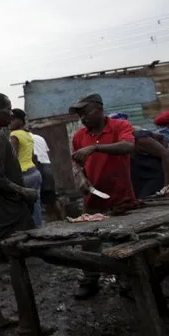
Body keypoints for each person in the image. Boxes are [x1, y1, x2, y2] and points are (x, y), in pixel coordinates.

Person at [0, 93, 38, 334]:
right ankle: (26, 322)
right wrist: (22, 191)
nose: (11, 114)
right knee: (16, 260)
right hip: (7, 211)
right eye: (7, 109)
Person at [70, 93, 137, 299]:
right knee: (90, 242)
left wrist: (96, 147)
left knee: (123, 241)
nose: (83, 119)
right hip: (93, 198)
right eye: (80, 115)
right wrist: (79, 175)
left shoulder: (119, 126)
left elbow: (128, 146)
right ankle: (90, 280)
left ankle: (127, 281)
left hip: (121, 197)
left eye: (86, 113)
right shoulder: (79, 136)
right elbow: (76, 162)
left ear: (99, 109)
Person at [9, 109, 43, 228]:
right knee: (36, 205)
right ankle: (39, 229)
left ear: (20, 120)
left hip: (24, 176)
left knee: (25, 208)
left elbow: (13, 159)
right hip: (34, 173)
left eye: (12, 119)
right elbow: (33, 156)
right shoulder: (27, 134)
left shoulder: (15, 135)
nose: (10, 121)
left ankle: (32, 234)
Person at [30, 130, 65, 221]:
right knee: (51, 199)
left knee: (40, 200)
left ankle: (48, 222)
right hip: (47, 167)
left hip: (37, 166)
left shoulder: (23, 138)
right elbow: (47, 154)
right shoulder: (40, 138)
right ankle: (62, 221)